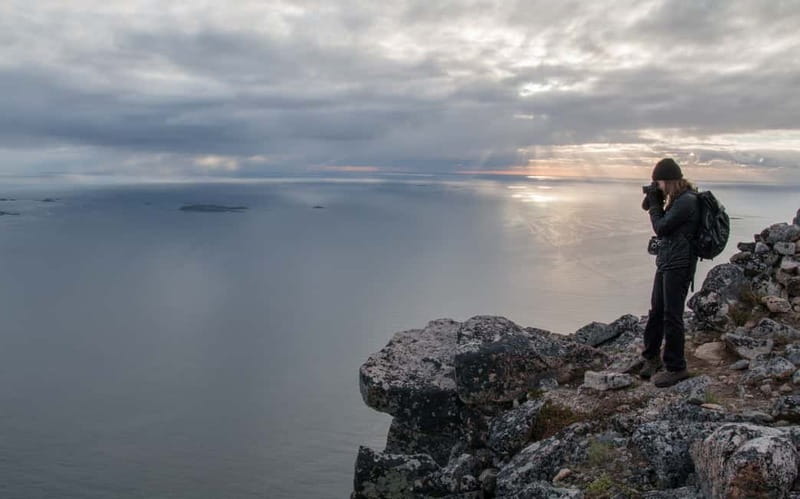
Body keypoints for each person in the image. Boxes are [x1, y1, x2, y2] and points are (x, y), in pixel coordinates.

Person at [633, 158, 700, 387]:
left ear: (668, 181)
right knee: (656, 311)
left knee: (672, 315)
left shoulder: (687, 201)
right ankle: (651, 357)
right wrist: (654, 200)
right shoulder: (676, 199)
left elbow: (660, 228)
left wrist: (655, 204)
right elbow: (657, 217)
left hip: (679, 265)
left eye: (659, 183)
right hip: (667, 262)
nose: (657, 187)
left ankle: (676, 367)